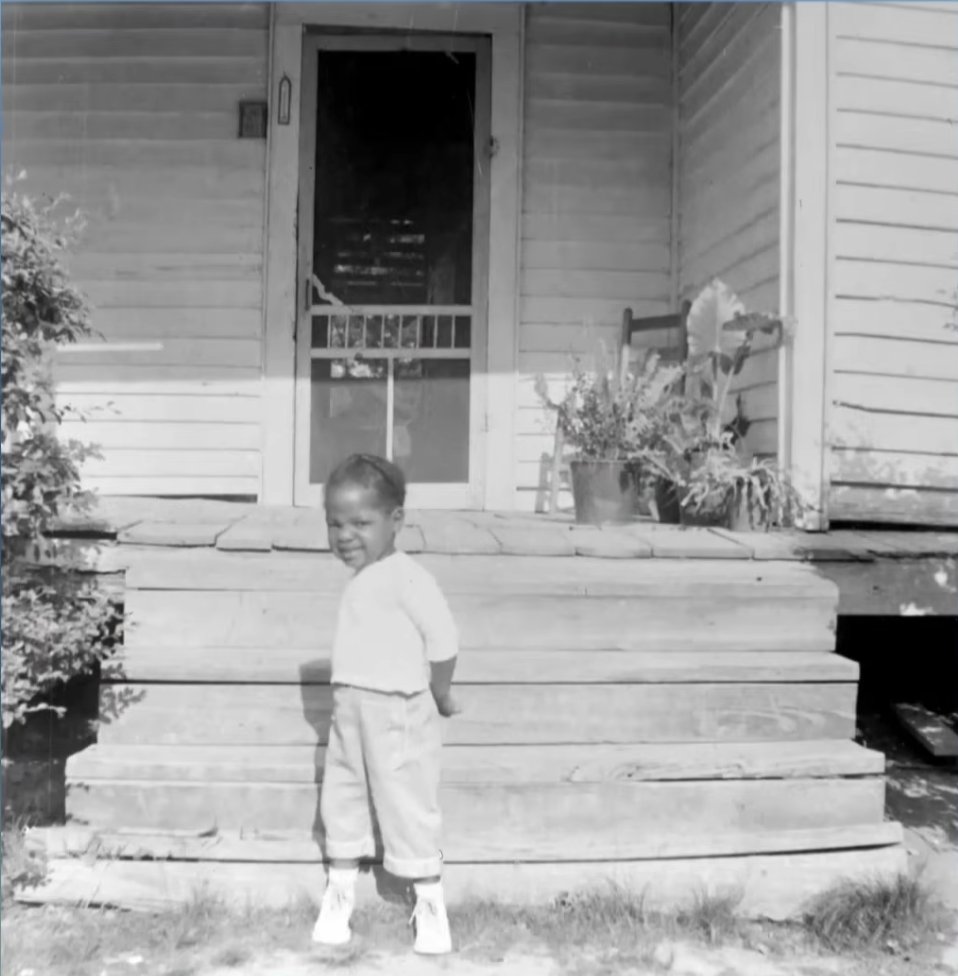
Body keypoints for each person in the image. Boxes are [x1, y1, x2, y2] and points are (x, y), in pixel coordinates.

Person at [313, 453, 460, 954]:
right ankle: (339, 888)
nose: (345, 534)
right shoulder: (362, 578)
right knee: (344, 791)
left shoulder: (409, 577)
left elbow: (443, 643)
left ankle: (430, 899)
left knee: (406, 800)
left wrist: (440, 694)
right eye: (335, 523)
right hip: (349, 708)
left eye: (361, 522)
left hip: (398, 711)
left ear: (395, 521)